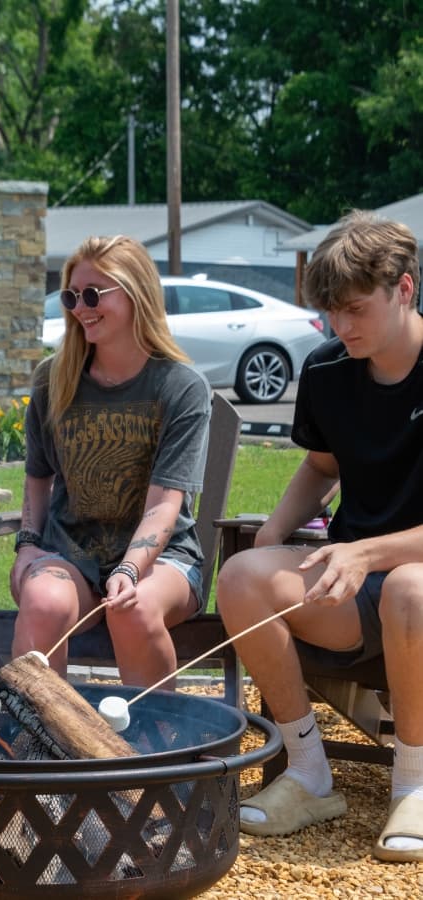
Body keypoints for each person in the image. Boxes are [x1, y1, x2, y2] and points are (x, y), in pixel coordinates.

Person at [215, 210, 423, 862]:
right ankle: (309, 774)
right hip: (354, 590)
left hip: (411, 590)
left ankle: (413, 786)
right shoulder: (330, 370)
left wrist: (369, 552)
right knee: (242, 579)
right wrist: (272, 537)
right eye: (331, 312)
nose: (341, 327)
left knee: (411, 590)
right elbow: (321, 465)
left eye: (356, 309)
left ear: (405, 289)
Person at [10, 235, 210, 687]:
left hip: (165, 559)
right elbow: (38, 476)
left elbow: (164, 505)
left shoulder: (179, 387)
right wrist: (27, 545)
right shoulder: (53, 380)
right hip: (72, 553)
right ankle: (39, 748)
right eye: (72, 296)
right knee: (43, 602)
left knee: (132, 608)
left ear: (137, 292)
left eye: (94, 294)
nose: (80, 307)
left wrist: (127, 569)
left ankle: (157, 749)